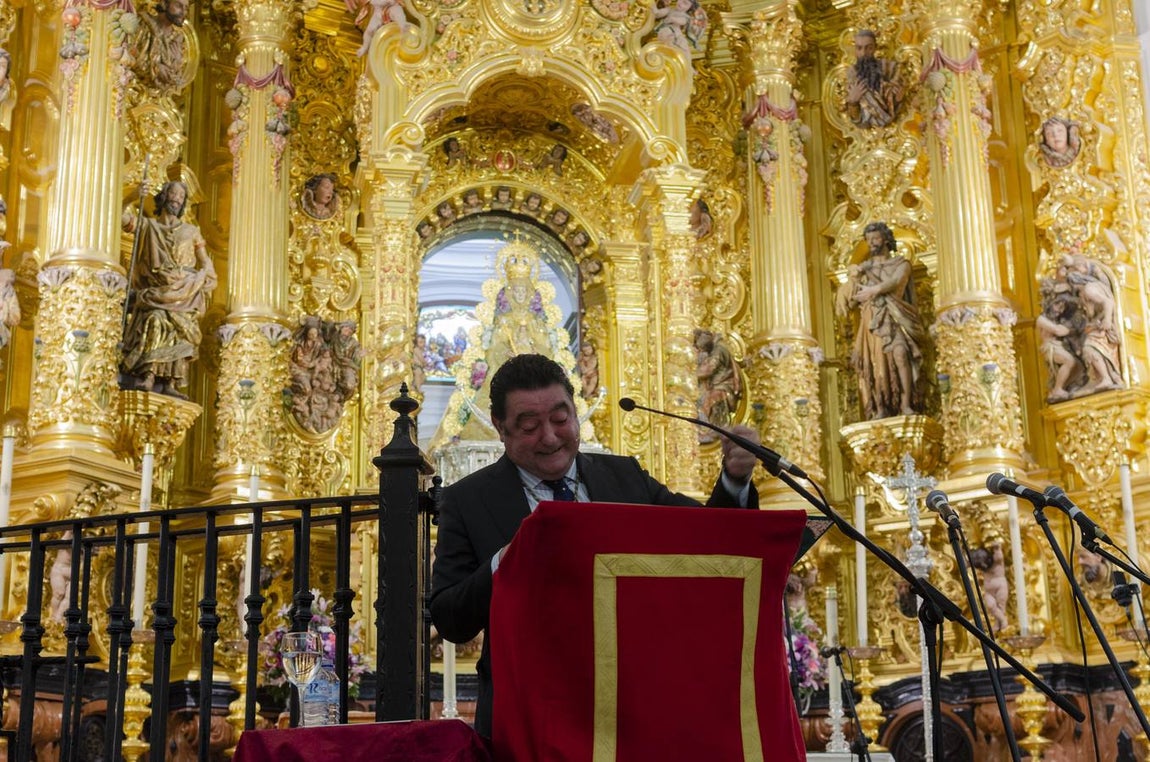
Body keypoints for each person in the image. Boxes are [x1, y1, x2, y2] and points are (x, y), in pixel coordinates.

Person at [430, 353, 763, 738]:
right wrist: (506, 561)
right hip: (529, 715)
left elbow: (708, 540)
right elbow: (450, 618)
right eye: (529, 426)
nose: (551, 437)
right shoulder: (468, 500)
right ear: (500, 428)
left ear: (575, 411)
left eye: (560, 419)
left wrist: (735, 480)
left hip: (635, 708)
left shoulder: (625, 478)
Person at [121, 180, 217, 398]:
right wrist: (131, 197)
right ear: (163, 197)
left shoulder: (192, 231)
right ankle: (150, 374)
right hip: (157, 293)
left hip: (184, 292)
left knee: (183, 328)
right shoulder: (148, 226)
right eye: (172, 194)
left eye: (180, 197)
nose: (176, 198)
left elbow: (205, 262)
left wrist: (205, 276)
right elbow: (118, 218)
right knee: (155, 319)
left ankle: (171, 382)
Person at [835, 221, 925, 419]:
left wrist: (873, 290)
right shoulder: (864, 270)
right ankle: (881, 407)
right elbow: (847, 301)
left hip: (896, 318)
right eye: (868, 240)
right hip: (872, 322)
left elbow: (896, 282)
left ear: (886, 239)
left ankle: (906, 404)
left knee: (901, 354)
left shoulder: (901, 264)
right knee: (876, 365)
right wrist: (853, 279)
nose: (872, 243)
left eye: (875, 238)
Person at [844, 30, 905, 129]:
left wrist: (898, 100)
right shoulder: (851, 76)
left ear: (875, 48)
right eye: (859, 48)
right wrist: (853, 102)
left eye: (869, 48)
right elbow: (856, 121)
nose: (864, 53)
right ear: (855, 50)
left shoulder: (890, 69)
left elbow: (897, 104)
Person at [134, 0, 191, 96]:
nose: (183, 12)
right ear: (164, 4)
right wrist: (156, 69)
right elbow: (131, 55)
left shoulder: (178, 38)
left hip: (159, 98)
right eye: (178, 6)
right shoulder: (143, 24)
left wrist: (174, 70)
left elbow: (176, 74)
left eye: (186, 8)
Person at [695, 329, 740, 439]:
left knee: (709, 402)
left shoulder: (719, 350)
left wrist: (689, 374)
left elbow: (709, 369)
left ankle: (716, 430)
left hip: (723, 387)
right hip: (717, 385)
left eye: (701, 349)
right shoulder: (717, 348)